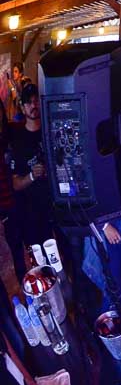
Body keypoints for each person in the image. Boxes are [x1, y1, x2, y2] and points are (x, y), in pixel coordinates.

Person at [9, 84, 53, 264]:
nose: (33, 105)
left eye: (36, 101)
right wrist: (32, 176)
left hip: (56, 208)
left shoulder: (50, 132)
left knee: (65, 255)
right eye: (28, 102)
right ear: (22, 106)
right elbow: (15, 184)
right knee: (40, 261)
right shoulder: (17, 139)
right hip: (31, 212)